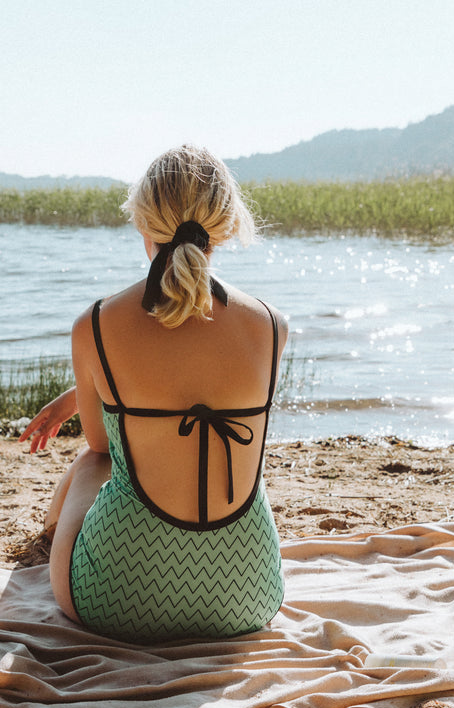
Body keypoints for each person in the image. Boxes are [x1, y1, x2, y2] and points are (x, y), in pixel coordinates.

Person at [19, 145, 288, 644]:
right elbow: (191, 375)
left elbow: (101, 446)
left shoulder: (97, 324)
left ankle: (45, 540)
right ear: (225, 225)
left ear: (143, 223)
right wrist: (75, 395)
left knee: (90, 463)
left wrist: (85, 397)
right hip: (249, 594)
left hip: (114, 598)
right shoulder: (272, 325)